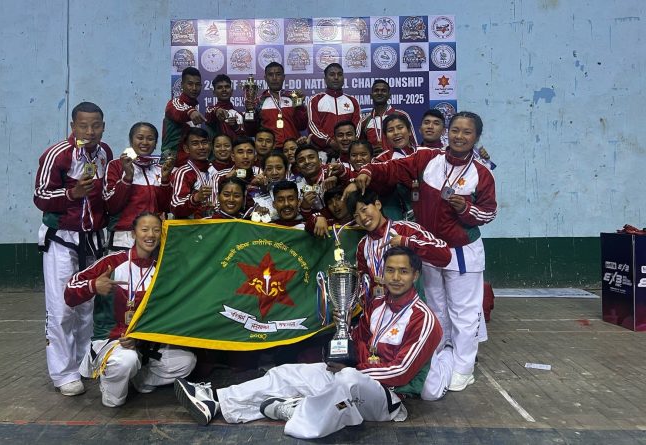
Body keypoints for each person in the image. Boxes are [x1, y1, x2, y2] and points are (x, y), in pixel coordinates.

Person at [173, 246, 443, 439]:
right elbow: (357, 340)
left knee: (346, 382)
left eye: (403, 272)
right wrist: (343, 334)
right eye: (391, 270)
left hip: (387, 397)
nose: (395, 277)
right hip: (350, 376)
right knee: (286, 372)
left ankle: (298, 411)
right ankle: (217, 401)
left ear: (415, 276)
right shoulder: (376, 305)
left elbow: (401, 371)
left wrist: (355, 368)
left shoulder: (424, 319)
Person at [352, 111, 498, 392]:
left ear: (477, 137)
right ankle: (439, 357)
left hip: (462, 252)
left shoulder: (481, 172)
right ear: (447, 132)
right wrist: (368, 171)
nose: (459, 136)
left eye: (467, 132)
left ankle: (464, 368)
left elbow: (489, 212)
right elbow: (393, 168)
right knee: (436, 308)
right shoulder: (427, 158)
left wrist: (466, 209)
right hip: (428, 248)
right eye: (455, 130)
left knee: (464, 313)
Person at [65, 213, 197, 407]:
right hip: (112, 340)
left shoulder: (163, 268)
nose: (150, 235)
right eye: (144, 229)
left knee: (186, 361)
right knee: (126, 361)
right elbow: (69, 292)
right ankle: (111, 388)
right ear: (133, 233)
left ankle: (139, 378)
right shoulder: (113, 261)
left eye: (156, 230)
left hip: (145, 343)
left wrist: (141, 338)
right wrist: (93, 286)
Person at [33, 101, 113, 396]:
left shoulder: (105, 154)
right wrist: (72, 193)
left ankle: (82, 362)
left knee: (87, 304)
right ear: (73, 126)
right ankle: (63, 372)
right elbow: (40, 196)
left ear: (103, 127)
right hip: (62, 239)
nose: (90, 132)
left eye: (96, 126)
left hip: (92, 239)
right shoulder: (57, 154)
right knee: (62, 307)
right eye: (83, 125)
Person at [346, 189, 451, 303]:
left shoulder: (405, 230)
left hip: (410, 307)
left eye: (364, 209)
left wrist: (406, 242)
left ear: (378, 204)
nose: (362, 218)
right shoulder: (363, 245)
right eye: (356, 216)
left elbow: (444, 256)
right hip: (380, 309)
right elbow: (363, 284)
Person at [103, 122, 173, 251]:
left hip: (153, 237)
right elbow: (111, 206)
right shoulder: (116, 166)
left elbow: (165, 207)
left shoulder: (161, 169)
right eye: (140, 138)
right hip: (124, 238)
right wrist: (128, 177)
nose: (145, 142)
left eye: (150, 139)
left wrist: (165, 180)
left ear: (156, 143)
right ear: (131, 140)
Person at [305, 63, 361, 161]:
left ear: (343, 78)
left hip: (349, 153)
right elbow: (313, 126)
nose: (336, 77)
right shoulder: (315, 100)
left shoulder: (352, 101)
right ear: (325, 79)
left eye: (339, 74)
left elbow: (357, 127)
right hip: (323, 153)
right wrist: (329, 142)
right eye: (332, 74)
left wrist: (348, 143)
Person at [245, 62, 308, 148]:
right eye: (270, 75)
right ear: (265, 78)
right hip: (271, 150)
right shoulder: (258, 102)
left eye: (278, 74)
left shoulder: (293, 97)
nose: (274, 78)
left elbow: (302, 126)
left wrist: (300, 105)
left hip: (292, 148)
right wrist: (249, 111)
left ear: (283, 77)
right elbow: (250, 132)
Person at [162, 67, 204, 167]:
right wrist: (190, 112)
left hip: (189, 163)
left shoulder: (195, 107)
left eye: (197, 84)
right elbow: (178, 112)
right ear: (182, 85)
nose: (194, 88)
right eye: (190, 84)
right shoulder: (174, 103)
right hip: (171, 164)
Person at [170, 128, 217, 219]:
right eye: (195, 144)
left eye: (204, 142)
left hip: (215, 223)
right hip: (192, 225)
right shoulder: (183, 173)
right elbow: (175, 207)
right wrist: (196, 198)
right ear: (186, 148)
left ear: (210, 145)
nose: (201, 147)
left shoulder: (215, 170)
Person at [360, 80, 416, 154]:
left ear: (389, 95)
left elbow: (413, 144)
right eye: (376, 90)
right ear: (371, 95)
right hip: (376, 161)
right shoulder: (365, 121)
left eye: (383, 91)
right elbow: (361, 149)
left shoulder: (401, 115)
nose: (379, 93)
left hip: (399, 160)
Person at [205, 74, 245, 141]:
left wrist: (236, 127)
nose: (224, 89)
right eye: (219, 87)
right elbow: (210, 112)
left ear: (231, 91)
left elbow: (243, 138)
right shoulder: (210, 111)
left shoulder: (238, 115)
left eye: (227, 87)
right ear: (214, 92)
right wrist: (217, 110)